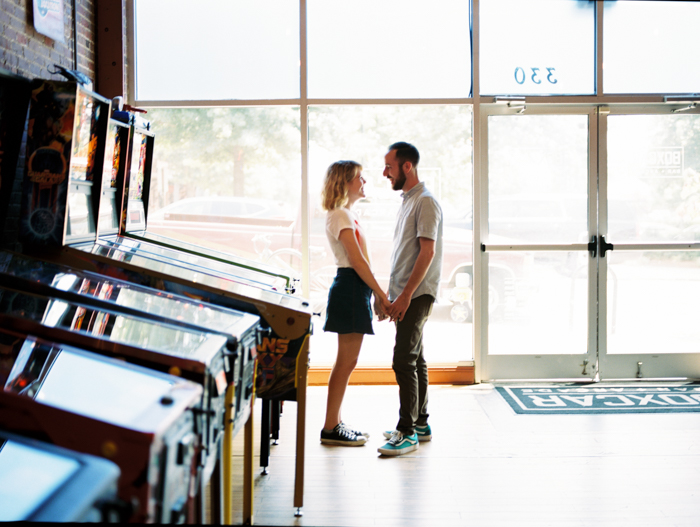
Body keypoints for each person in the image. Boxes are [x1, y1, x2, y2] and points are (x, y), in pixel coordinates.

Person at [376, 142, 443, 456]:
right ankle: (420, 423)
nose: (384, 172)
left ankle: (407, 432)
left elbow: (426, 253)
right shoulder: (408, 201)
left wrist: (404, 296)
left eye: (389, 166)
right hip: (406, 293)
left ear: (407, 167)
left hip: (416, 294)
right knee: (415, 357)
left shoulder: (426, 202)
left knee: (402, 359)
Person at [320, 160, 391, 446]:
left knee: (348, 362)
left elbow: (362, 262)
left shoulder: (347, 214)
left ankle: (335, 422)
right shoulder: (339, 215)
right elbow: (358, 261)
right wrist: (381, 294)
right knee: (345, 362)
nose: (364, 182)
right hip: (349, 286)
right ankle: (329, 427)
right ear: (344, 182)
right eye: (358, 178)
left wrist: (373, 292)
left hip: (354, 287)